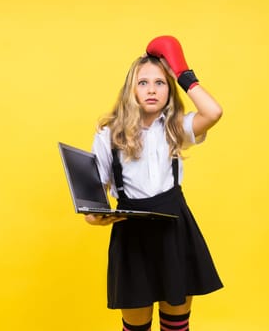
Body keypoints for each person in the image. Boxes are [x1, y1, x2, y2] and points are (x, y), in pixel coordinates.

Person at [86, 35, 223, 331]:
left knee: (176, 324)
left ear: (169, 89)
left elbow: (213, 112)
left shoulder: (177, 128)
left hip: (174, 227)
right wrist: (94, 216)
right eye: (143, 82)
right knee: (135, 326)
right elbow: (96, 191)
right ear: (130, 90)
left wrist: (182, 74)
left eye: (160, 83)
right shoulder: (109, 133)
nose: (151, 89)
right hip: (131, 232)